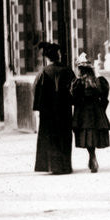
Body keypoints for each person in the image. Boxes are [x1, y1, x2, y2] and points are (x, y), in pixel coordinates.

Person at [32, 41, 74, 175]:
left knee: (50, 138)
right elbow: (75, 89)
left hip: (48, 112)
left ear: (47, 58)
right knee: (64, 136)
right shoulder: (67, 71)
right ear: (58, 55)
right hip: (64, 111)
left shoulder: (43, 72)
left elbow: (35, 89)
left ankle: (53, 166)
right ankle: (65, 166)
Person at [71, 53, 110, 173]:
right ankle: (92, 157)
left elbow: (73, 99)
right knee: (93, 133)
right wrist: (102, 109)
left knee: (87, 134)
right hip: (95, 110)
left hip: (82, 112)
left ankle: (92, 156)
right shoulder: (98, 81)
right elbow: (104, 96)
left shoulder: (78, 83)